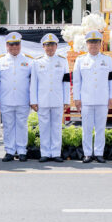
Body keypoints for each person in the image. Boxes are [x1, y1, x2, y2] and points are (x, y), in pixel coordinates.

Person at [72, 30, 112, 163]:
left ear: (100, 44)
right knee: (86, 128)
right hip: (86, 99)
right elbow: (76, 81)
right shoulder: (80, 60)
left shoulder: (107, 59)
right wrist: (76, 98)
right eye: (91, 43)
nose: (93, 46)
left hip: (103, 98)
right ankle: (87, 153)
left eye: (96, 43)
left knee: (100, 128)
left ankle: (98, 153)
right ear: (87, 44)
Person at [30, 33, 70, 162]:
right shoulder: (37, 62)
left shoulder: (63, 61)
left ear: (56, 46)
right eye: (47, 45)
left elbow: (66, 82)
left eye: (52, 45)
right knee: (44, 127)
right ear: (43, 47)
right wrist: (34, 101)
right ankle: (45, 153)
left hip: (58, 99)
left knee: (57, 127)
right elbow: (33, 83)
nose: (50, 48)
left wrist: (66, 100)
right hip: (43, 100)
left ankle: (56, 153)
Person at [0, 32, 33, 162]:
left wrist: (32, 100)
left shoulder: (28, 60)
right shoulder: (0, 61)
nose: (14, 47)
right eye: (11, 45)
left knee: (22, 125)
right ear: (6, 45)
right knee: (8, 126)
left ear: (20, 44)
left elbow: (32, 83)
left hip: (23, 99)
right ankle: (9, 150)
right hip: (6, 99)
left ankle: (22, 150)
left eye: (16, 44)